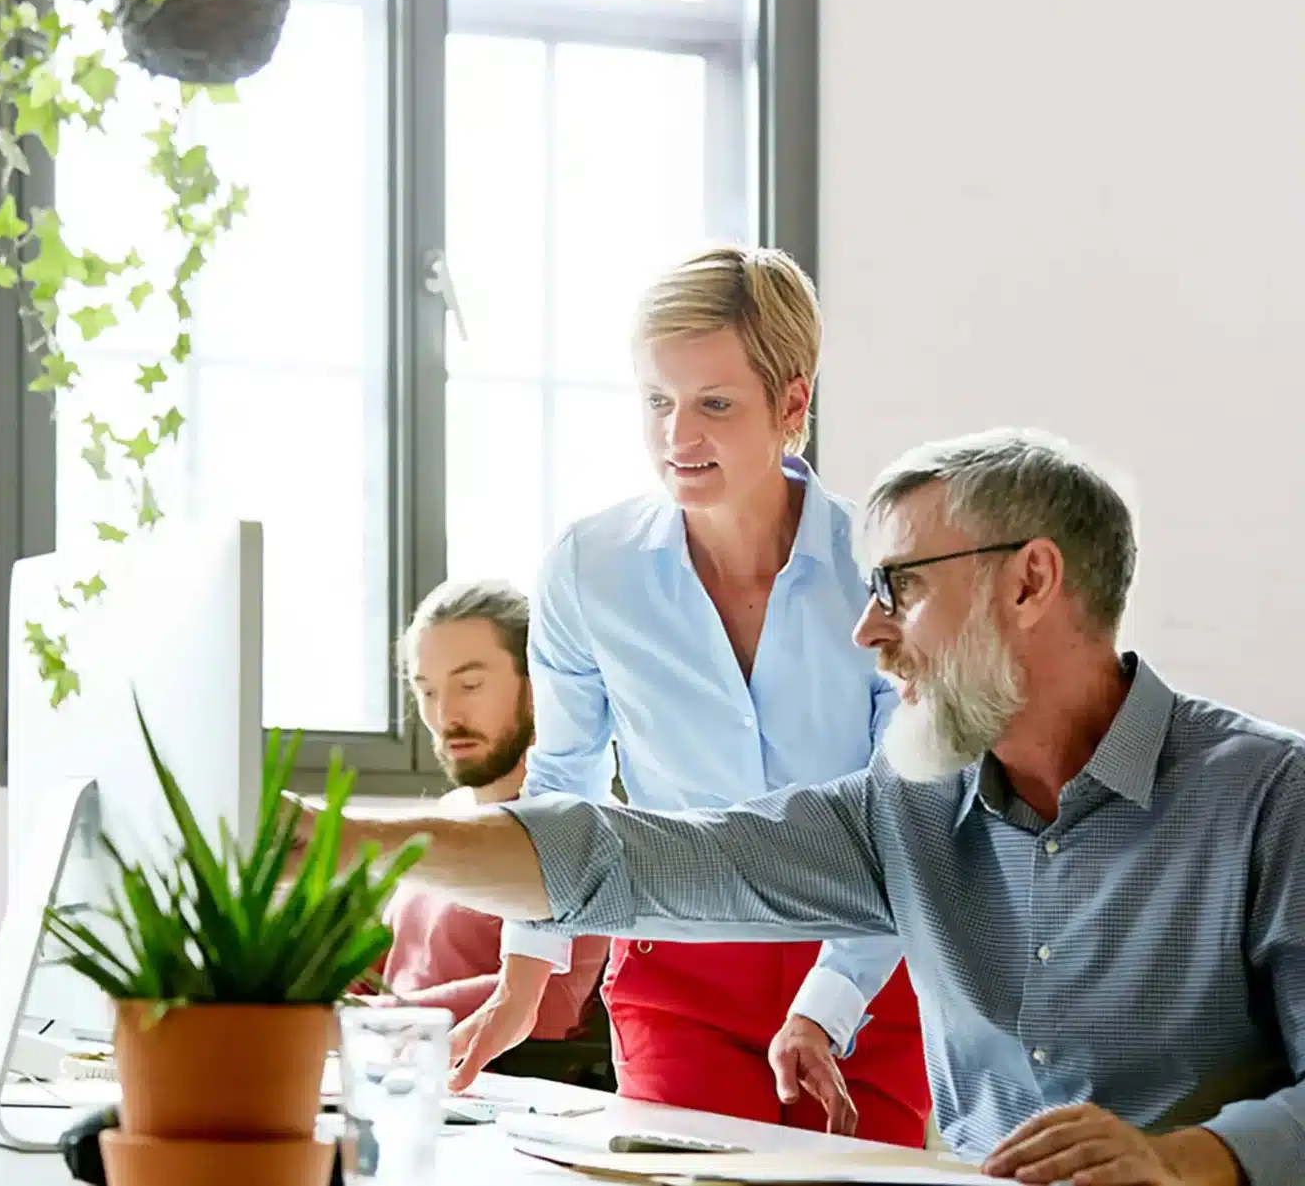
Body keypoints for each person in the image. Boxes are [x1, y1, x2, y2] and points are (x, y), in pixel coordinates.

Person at [306, 429, 1305, 1186]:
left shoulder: (1269, 798)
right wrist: (348, 838)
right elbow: (636, 861)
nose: (867, 629)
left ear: (1029, 582)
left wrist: (1187, 1160)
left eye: (900, 588)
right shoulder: (908, 814)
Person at [451, 245, 931, 1146]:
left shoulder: (885, 572)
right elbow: (565, 773)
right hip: (675, 960)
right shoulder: (590, 569)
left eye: (714, 404)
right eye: (658, 402)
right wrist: (526, 976)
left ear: (791, 403)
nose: (679, 437)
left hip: (867, 962)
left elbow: (909, 810)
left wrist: (826, 1005)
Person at [363, 580, 611, 1064]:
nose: (445, 714)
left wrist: (381, 1021)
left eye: (470, 685)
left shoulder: (579, 827)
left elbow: (557, 1000)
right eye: (427, 691)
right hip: (395, 1073)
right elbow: (378, 964)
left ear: (538, 687)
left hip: (492, 1084)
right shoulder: (445, 816)